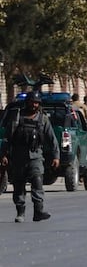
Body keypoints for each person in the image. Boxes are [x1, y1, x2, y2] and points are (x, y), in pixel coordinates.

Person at [1, 91, 59, 222]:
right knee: (19, 185)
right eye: (32, 102)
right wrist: (3, 154)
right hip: (18, 157)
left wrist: (56, 156)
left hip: (36, 157)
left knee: (37, 182)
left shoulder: (43, 119)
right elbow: (7, 137)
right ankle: (20, 212)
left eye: (37, 102)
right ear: (27, 102)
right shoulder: (17, 117)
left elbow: (52, 138)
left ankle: (38, 211)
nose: (34, 105)